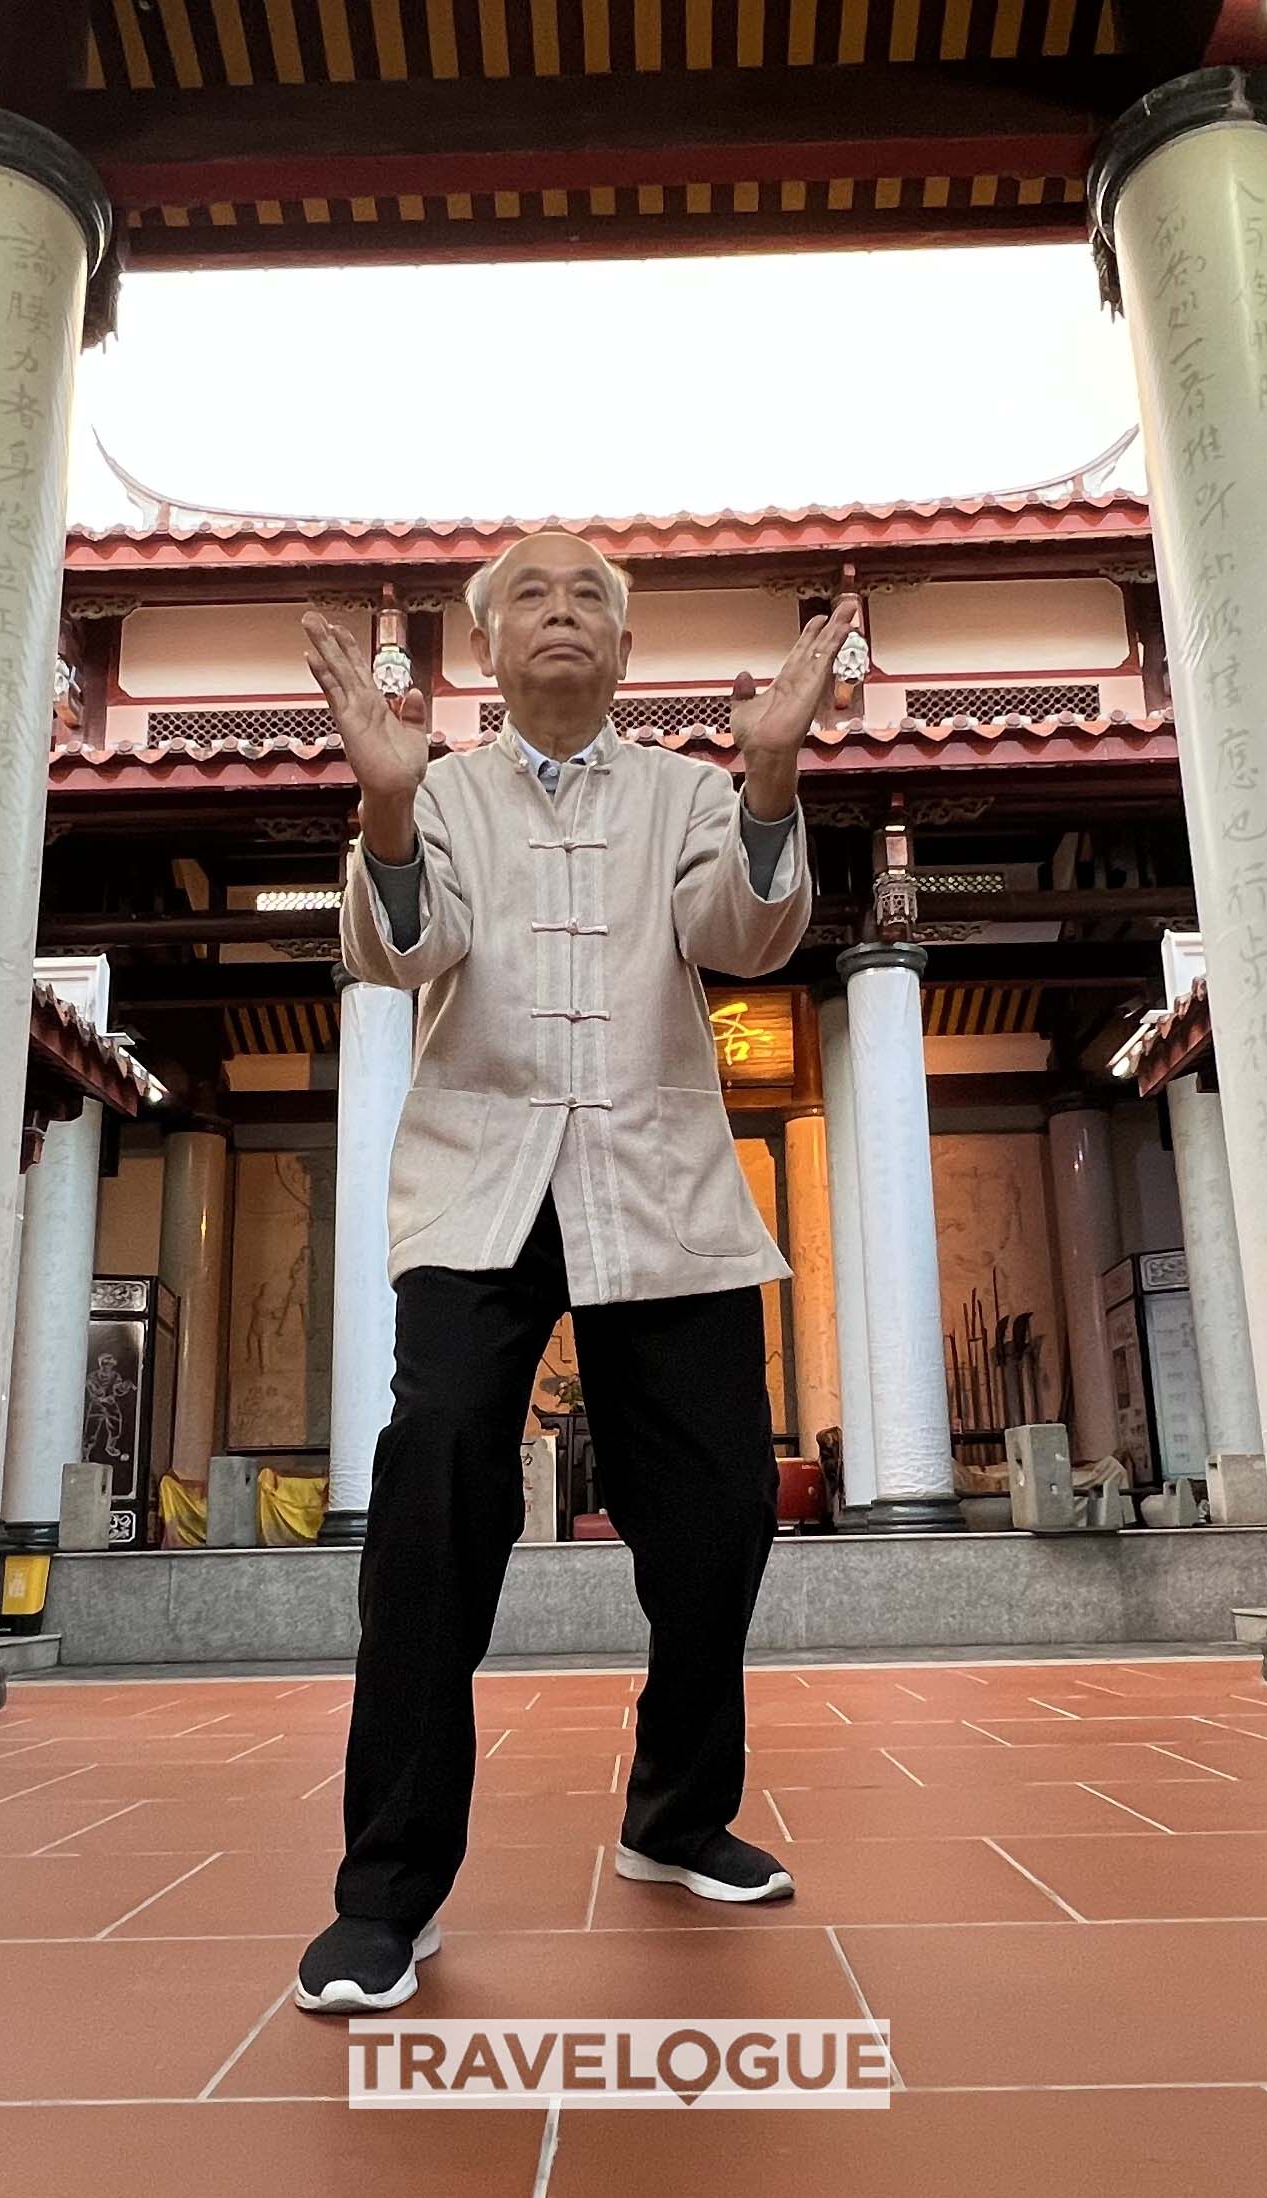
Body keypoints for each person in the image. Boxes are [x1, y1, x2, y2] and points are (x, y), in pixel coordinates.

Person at [288, 530, 854, 2012]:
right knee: (438, 1488)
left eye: (589, 597)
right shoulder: (444, 790)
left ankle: (676, 1816)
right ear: (483, 649)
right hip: (480, 1188)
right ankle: (387, 1893)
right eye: (528, 595)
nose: (560, 613)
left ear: (622, 646)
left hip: (657, 1188)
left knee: (720, 1512)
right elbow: (407, 955)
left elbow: (744, 936)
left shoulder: (683, 790)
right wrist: (388, 804)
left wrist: (774, 781)